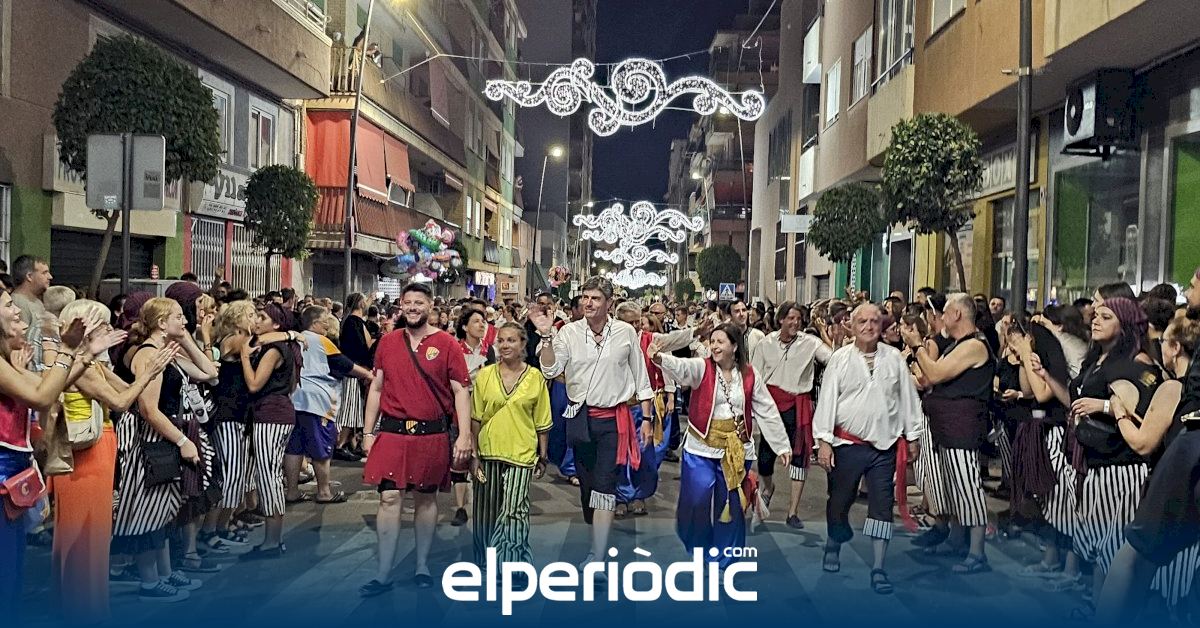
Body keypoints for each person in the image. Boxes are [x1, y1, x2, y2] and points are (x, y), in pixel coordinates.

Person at [51, 299, 175, 621]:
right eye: (104, 325)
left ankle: (90, 606)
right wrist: (149, 374)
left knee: (97, 533)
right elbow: (121, 401)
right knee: (83, 534)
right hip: (86, 453)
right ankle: (82, 609)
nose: (110, 330)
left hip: (101, 447)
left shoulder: (93, 364)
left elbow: (128, 391)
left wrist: (149, 373)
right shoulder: (80, 365)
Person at [1032, 297, 1161, 607]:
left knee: (1114, 547)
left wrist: (1103, 406)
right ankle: (1097, 606)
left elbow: (1148, 409)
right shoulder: (1096, 360)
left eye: (1106, 316)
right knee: (1098, 545)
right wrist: (1046, 375)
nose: (1096, 320)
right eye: (1096, 315)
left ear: (1125, 325)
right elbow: (1074, 403)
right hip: (1093, 465)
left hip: (1121, 468)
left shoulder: (1137, 361)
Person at [1, 292, 116, 617]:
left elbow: (50, 387)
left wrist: (84, 355)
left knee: (11, 571)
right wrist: (69, 350)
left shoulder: (9, 362)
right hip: (6, 477)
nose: (19, 313)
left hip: (15, 477)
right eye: (9, 305)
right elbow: (43, 395)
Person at [531, 276, 653, 569]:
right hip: (580, 418)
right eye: (585, 297)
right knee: (588, 490)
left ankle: (598, 556)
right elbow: (550, 369)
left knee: (604, 486)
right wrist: (546, 336)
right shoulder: (569, 332)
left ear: (609, 303)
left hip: (613, 420)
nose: (588, 303)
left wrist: (647, 417)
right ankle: (596, 534)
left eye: (595, 298)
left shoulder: (625, 332)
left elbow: (641, 377)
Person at [359, 282, 473, 595]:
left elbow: (461, 391)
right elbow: (376, 388)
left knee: (426, 498)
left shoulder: (447, 344)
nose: (412, 307)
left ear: (430, 306)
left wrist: (464, 435)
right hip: (392, 432)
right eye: (407, 302)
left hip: (431, 433)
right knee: (388, 497)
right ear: (401, 305)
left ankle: (422, 564)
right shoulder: (387, 342)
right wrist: (367, 432)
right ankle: (383, 572)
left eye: (419, 302)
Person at [649, 323, 791, 567]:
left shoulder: (750, 374)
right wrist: (660, 358)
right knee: (696, 500)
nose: (714, 346)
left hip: (736, 450)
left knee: (732, 505)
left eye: (720, 341)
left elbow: (766, 409)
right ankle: (698, 547)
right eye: (712, 341)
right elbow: (681, 367)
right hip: (700, 448)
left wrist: (782, 445)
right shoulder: (701, 367)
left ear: (734, 346)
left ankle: (724, 560)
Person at [1097, 310, 1200, 620]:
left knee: (1126, 561)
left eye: (1163, 342)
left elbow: (1142, 442)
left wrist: (1117, 411)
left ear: (1176, 348)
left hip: (1169, 495)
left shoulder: (1173, 388)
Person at [113, 297, 218, 602]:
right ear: (161, 322)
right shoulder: (149, 354)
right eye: (178, 317)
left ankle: (164, 572)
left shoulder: (167, 352)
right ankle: (150, 581)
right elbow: (148, 409)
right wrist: (183, 441)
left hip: (164, 437)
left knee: (163, 512)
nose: (185, 321)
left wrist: (185, 339)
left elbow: (209, 372)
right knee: (147, 512)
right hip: (150, 441)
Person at [814, 304, 922, 593]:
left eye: (874, 321)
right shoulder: (840, 359)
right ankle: (834, 542)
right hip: (847, 445)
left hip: (884, 447)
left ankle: (878, 567)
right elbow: (827, 400)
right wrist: (823, 440)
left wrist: (913, 435)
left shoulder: (894, 358)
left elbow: (908, 399)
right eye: (862, 321)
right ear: (851, 325)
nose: (869, 326)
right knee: (840, 502)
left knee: (882, 507)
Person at [901, 293, 995, 573]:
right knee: (953, 488)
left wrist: (916, 346)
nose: (941, 317)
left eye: (945, 312)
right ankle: (956, 539)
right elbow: (928, 376)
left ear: (957, 315)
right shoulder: (958, 345)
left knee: (967, 487)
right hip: (947, 426)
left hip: (962, 428)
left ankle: (977, 553)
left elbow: (934, 375)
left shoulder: (974, 345)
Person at [469, 323, 551, 568]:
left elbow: (542, 420)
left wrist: (543, 455)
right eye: (501, 340)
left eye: (511, 340)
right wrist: (474, 454)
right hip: (488, 451)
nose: (505, 345)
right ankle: (486, 561)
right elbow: (475, 417)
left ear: (523, 344)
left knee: (515, 510)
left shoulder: (535, 377)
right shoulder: (485, 375)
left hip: (521, 453)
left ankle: (513, 564)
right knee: (486, 511)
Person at [750, 301, 832, 529]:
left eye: (798, 319)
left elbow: (833, 359)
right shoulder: (765, 344)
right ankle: (768, 488)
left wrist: (831, 336)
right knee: (765, 459)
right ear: (781, 320)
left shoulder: (810, 343)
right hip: (771, 406)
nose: (795, 323)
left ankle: (793, 512)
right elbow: (755, 376)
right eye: (791, 318)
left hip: (798, 406)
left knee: (799, 458)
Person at [286, 306, 373, 505]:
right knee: (321, 448)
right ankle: (324, 492)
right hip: (317, 402)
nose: (328, 324)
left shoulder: (294, 340)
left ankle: (292, 491)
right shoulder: (321, 341)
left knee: (294, 448)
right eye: (325, 320)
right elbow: (345, 365)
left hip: (294, 399)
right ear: (315, 323)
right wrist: (369, 375)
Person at [236, 303, 302, 559]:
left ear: (276, 324)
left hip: (271, 414)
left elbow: (254, 384)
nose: (257, 320)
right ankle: (273, 539)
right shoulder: (283, 345)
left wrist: (244, 357)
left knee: (268, 475)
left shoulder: (274, 350)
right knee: (269, 473)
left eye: (262, 317)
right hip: (277, 412)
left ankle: (272, 540)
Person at [451, 307, 496, 526]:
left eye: (483, 321)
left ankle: (482, 504)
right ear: (464, 326)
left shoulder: (489, 350)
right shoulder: (455, 349)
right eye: (476, 321)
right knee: (460, 457)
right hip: (460, 408)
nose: (481, 325)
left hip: (484, 409)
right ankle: (460, 507)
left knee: (482, 455)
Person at [335, 293, 375, 461]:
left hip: (356, 371)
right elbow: (359, 347)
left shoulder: (354, 321)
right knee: (350, 410)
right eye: (364, 300)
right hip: (353, 371)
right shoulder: (353, 322)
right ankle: (340, 444)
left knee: (355, 410)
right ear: (359, 303)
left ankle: (350, 443)